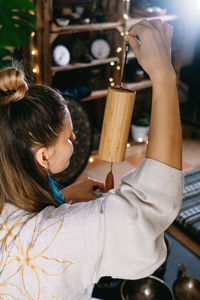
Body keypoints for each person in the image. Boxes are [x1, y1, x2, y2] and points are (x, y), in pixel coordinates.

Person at [0, 19, 183, 299]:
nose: (75, 140)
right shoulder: (54, 241)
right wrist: (163, 76)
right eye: (69, 137)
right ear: (43, 156)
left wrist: (66, 193)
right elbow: (145, 209)